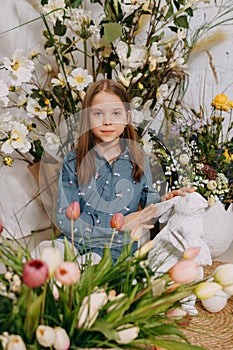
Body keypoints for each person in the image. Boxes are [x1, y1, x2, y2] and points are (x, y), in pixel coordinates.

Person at [56, 79, 194, 262]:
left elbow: (150, 206)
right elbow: (64, 218)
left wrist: (168, 200)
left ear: (127, 117)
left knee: (90, 264)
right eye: (98, 114)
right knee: (48, 254)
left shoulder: (138, 160)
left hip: (115, 248)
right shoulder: (73, 161)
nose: (107, 121)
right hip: (74, 240)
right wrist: (116, 227)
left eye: (116, 113)